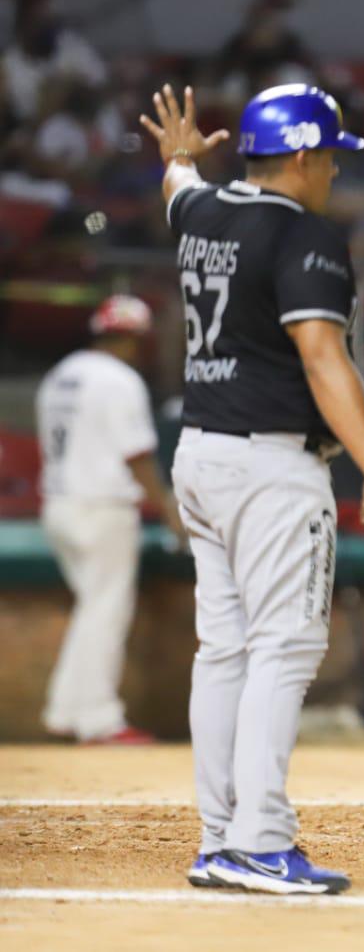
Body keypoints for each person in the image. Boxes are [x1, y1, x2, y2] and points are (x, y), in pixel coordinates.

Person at [140, 83, 364, 894]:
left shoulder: (206, 211)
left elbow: (177, 189)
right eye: (328, 155)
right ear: (300, 155)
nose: (333, 170)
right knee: (282, 649)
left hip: (202, 454)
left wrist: (180, 156)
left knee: (224, 650)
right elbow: (324, 357)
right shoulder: (306, 234)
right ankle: (258, 840)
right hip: (272, 466)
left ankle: (222, 837)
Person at [35, 294, 185, 745]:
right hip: (101, 507)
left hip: (59, 505)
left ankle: (65, 710)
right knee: (105, 612)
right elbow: (136, 455)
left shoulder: (62, 373)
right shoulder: (119, 380)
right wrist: (168, 509)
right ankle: (98, 718)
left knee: (92, 609)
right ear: (136, 338)